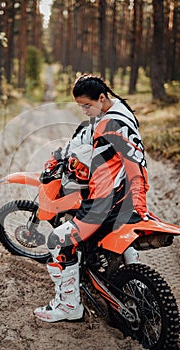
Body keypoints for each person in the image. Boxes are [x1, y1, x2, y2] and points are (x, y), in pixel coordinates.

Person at [34, 74, 149, 322]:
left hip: (107, 203)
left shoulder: (112, 124)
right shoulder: (122, 112)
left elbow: (135, 164)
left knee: (57, 240)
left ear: (101, 97)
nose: (84, 111)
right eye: (80, 106)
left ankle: (68, 305)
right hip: (122, 199)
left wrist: (138, 205)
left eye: (87, 105)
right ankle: (138, 285)